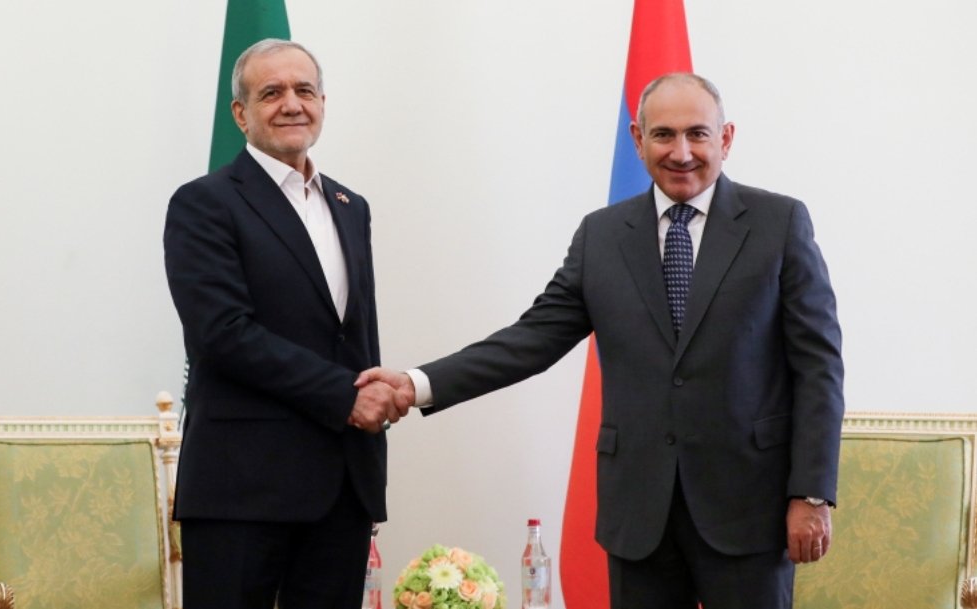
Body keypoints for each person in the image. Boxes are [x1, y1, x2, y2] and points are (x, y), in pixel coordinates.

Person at [358, 73, 844, 609]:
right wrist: (416, 384)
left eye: (697, 134)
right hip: (639, 516)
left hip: (749, 509)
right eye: (663, 135)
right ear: (638, 139)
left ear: (725, 138)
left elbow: (818, 368)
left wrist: (811, 492)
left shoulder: (779, 224)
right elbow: (531, 339)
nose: (681, 152)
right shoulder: (602, 236)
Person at [163, 38, 408, 609]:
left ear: (322, 102)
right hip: (242, 488)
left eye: (304, 90)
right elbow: (222, 334)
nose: (292, 104)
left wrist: (373, 405)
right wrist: (346, 397)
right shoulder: (204, 203)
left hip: (343, 485)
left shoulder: (351, 205)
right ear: (240, 114)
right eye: (271, 92)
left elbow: (353, 335)